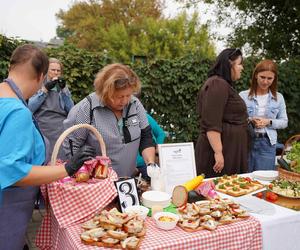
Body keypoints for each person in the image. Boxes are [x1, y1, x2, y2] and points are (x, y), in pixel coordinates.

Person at [0, 44, 95, 250]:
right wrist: (67, 169)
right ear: (41, 76)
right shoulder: (17, 111)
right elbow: (12, 171)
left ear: (11, 65)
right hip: (7, 211)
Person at [63, 63, 156, 178]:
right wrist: (84, 174)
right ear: (105, 92)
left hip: (127, 180)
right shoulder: (87, 108)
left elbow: (146, 137)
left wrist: (150, 164)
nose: (125, 101)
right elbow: (72, 147)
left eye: (128, 95)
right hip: (97, 183)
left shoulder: (135, 104)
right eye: (119, 97)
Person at [195, 48, 248, 178]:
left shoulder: (223, 84)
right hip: (221, 153)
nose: (242, 68)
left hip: (230, 149)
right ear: (229, 64)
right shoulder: (217, 84)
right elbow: (212, 122)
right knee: (218, 193)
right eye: (239, 64)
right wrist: (218, 152)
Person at [239, 59, 288, 171]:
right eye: (262, 77)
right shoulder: (243, 96)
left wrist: (268, 122)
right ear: (256, 75)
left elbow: (284, 122)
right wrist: (250, 120)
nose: (265, 82)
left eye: (269, 78)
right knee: (245, 179)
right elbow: (237, 120)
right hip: (247, 142)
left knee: (265, 180)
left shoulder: (278, 98)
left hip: (267, 143)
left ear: (274, 78)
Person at [28, 58, 74, 160]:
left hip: (60, 128)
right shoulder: (38, 83)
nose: (56, 73)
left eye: (58, 71)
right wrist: (45, 90)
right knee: (44, 158)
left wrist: (65, 91)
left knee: (58, 159)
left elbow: (71, 110)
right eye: (53, 70)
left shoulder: (62, 86)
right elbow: (30, 107)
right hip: (42, 127)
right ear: (46, 70)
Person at [136, 113, 166, 180]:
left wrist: (156, 154)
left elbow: (160, 134)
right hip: (127, 167)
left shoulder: (143, 116)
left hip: (146, 164)